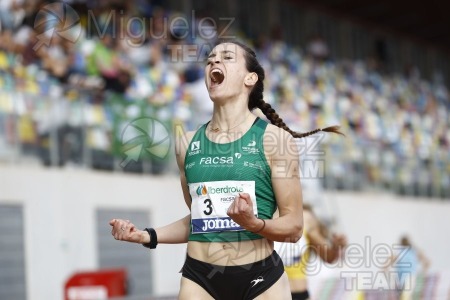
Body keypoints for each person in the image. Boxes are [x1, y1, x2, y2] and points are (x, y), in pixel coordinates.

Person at [109, 40, 343, 299]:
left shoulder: (274, 140)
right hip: (200, 278)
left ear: (249, 78)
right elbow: (200, 222)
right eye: (210, 58)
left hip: (260, 278)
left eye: (227, 57)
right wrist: (147, 235)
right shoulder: (186, 144)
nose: (214, 62)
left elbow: (294, 227)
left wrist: (254, 223)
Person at [274, 203, 347, 300]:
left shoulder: (305, 217)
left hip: (299, 294)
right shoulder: (262, 215)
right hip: (270, 295)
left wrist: (335, 246)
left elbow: (328, 257)